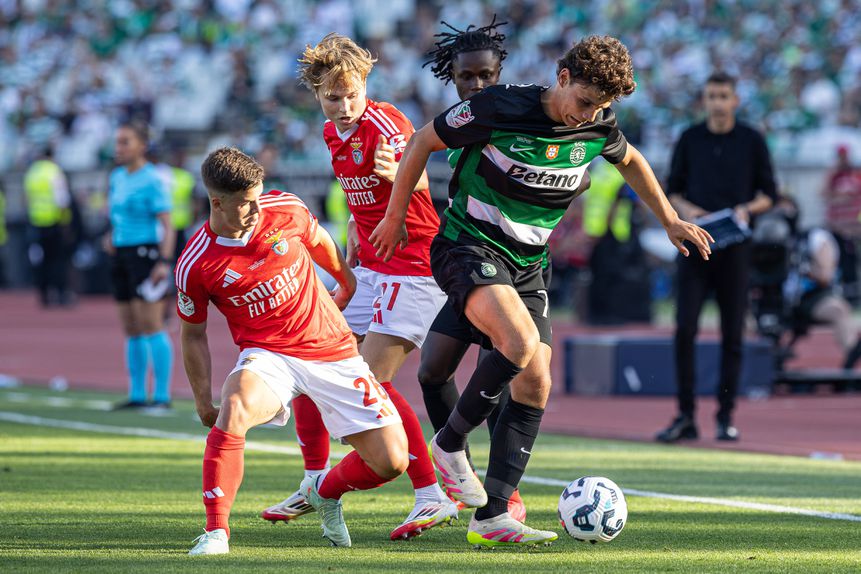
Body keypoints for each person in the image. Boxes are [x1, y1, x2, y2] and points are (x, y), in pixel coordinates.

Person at [370, 35, 712, 547]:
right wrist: (395, 217)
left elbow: (631, 160)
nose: (587, 115)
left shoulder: (597, 121)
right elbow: (422, 141)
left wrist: (669, 220)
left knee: (534, 383)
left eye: (600, 107)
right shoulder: (500, 106)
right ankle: (448, 445)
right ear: (563, 77)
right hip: (470, 246)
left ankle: (492, 515)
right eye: (583, 101)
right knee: (519, 343)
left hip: (529, 264)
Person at [259, 33, 457, 541]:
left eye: (351, 93)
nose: (344, 106)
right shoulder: (332, 133)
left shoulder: (385, 123)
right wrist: (353, 226)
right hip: (370, 266)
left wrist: (402, 176)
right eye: (332, 96)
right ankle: (311, 479)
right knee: (310, 363)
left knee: (371, 380)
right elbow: (357, 192)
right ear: (317, 95)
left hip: (413, 268)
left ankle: (430, 493)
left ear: (365, 84)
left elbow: (418, 180)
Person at [180, 147, 408, 555]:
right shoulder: (196, 263)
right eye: (247, 203)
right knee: (235, 406)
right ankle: (216, 532)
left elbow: (319, 241)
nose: (257, 208)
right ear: (217, 202)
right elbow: (192, 334)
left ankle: (323, 490)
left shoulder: (285, 207)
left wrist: (346, 281)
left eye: (259, 196)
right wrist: (202, 401)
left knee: (392, 462)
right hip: (269, 356)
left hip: (333, 350)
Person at [417, 16, 528, 521]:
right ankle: (457, 471)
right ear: (453, 77)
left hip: (505, 262)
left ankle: (505, 495)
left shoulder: (517, 115)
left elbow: (578, 174)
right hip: (467, 257)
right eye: (467, 77)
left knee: (499, 377)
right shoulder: (460, 122)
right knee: (433, 369)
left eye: (486, 76)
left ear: (500, 71)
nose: (477, 86)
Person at [656, 72, 777, 443]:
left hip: (736, 247)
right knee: (685, 330)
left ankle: (725, 416)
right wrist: (690, 212)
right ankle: (686, 415)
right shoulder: (690, 138)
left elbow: (769, 193)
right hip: (694, 245)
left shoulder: (752, 139)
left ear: (735, 100)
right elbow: (671, 190)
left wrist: (745, 210)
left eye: (724, 95)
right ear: (704, 100)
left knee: (733, 334)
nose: (718, 102)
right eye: (711, 96)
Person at [106, 122, 175, 410]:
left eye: (125, 142)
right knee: (131, 326)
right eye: (118, 142)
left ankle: (161, 395)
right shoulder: (117, 177)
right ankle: (136, 393)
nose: (118, 148)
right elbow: (118, 216)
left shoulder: (152, 179)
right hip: (121, 254)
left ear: (142, 146)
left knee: (151, 324)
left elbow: (167, 225)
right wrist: (111, 236)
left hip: (146, 254)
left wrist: (163, 261)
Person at [23, 147, 73, 306]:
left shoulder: (32, 173)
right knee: (57, 259)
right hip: (54, 221)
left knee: (41, 259)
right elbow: (62, 200)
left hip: (36, 221)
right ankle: (60, 293)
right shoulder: (54, 171)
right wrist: (66, 222)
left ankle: (43, 293)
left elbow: (26, 199)